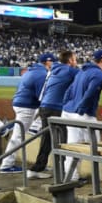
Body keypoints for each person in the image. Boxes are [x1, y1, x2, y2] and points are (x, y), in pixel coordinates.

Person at [0, 53, 56, 174]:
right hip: (27, 106)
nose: (54, 64)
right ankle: (6, 165)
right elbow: (42, 97)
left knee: (20, 130)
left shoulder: (30, 71)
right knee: (18, 136)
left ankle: (33, 127)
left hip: (21, 104)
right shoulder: (42, 74)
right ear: (48, 62)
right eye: (53, 62)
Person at [62, 49, 102, 182]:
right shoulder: (98, 74)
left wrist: (66, 104)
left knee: (73, 145)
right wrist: (81, 109)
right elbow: (90, 92)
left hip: (68, 112)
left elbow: (69, 90)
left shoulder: (82, 71)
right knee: (95, 147)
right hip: (82, 114)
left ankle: (70, 177)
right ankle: (99, 180)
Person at [28, 50, 79, 180]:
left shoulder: (55, 69)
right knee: (63, 139)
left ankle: (37, 168)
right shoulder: (69, 70)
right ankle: (63, 172)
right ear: (70, 61)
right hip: (56, 108)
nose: (76, 62)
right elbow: (84, 76)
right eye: (75, 59)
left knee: (48, 139)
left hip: (45, 106)